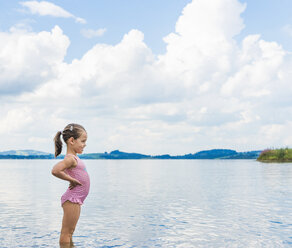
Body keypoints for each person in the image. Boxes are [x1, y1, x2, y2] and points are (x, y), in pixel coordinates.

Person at [51, 123, 90, 246]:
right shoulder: (70, 159)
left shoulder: (74, 158)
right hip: (72, 199)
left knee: (70, 232)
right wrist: (71, 180)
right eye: (83, 141)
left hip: (76, 199)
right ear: (72, 140)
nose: (85, 144)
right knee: (67, 233)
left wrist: (71, 179)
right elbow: (55, 170)